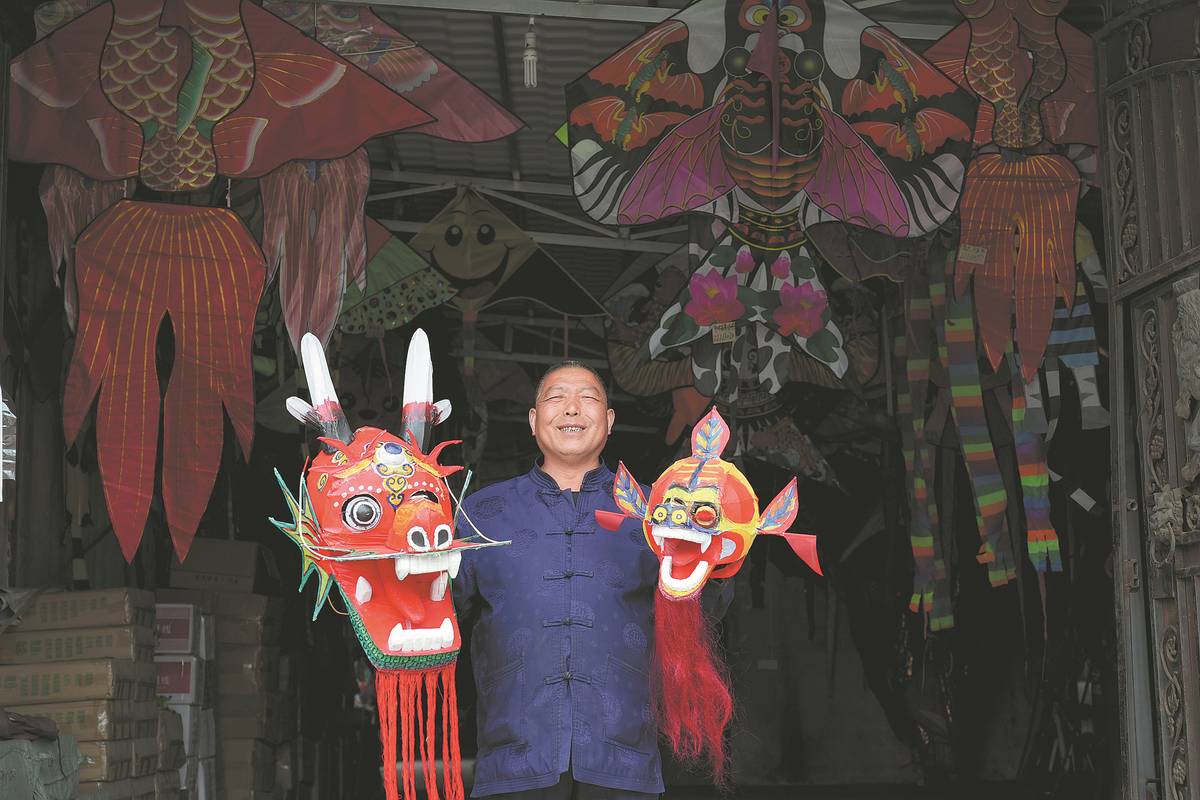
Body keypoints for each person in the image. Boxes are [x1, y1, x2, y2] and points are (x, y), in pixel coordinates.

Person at [452, 361, 731, 800]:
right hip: (514, 754)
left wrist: (718, 557)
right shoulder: (482, 514)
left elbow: (699, 614)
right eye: (556, 397)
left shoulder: (655, 514)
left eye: (588, 398)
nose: (572, 409)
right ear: (532, 419)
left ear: (609, 420)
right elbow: (437, 611)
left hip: (622, 752)